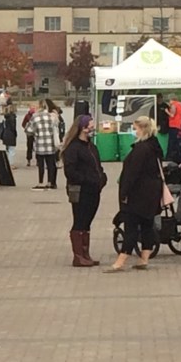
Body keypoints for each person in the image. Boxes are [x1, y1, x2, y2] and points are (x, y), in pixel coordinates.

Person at [106, 116, 164, 272]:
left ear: (143, 129)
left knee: (131, 226)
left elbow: (132, 174)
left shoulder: (141, 149)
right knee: (147, 225)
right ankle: (144, 258)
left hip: (138, 194)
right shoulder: (154, 146)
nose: (134, 131)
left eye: (135, 128)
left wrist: (124, 192)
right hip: (152, 193)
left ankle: (121, 260)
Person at [61, 114, 106, 266]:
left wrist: (102, 177)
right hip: (80, 190)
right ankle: (78, 255)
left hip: (94, 189)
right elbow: (70, 171)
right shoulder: (73, 148)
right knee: (80, 220)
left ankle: (86, 253)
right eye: (91, 126)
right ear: (83, 128)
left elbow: (97, 165)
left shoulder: (91, 146)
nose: (93, 129)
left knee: (87, 221)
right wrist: (88, 180)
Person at [29, 99, 58, 190]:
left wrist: (35, 133)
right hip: (50, 144)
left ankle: (40, 182)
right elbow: (56, 128)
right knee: (50, 164)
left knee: (41, 164)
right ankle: (50, 182)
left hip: (40, 144)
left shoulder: (35, 117)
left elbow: (29, 130)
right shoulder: (51, 117)